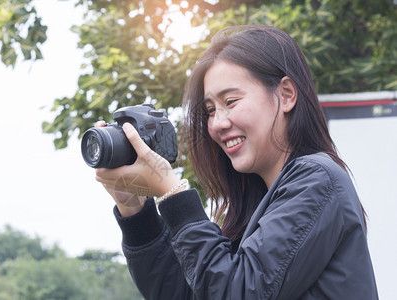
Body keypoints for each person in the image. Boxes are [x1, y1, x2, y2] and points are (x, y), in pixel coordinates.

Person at [94, 25, 378, 299]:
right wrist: (134, 209)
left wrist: (173, 192)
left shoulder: (317, 180)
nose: (218, 123)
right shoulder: (255, 204)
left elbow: (236, 292)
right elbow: (183, 294)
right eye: (210, 110)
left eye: (231, 101)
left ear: (286, 95)